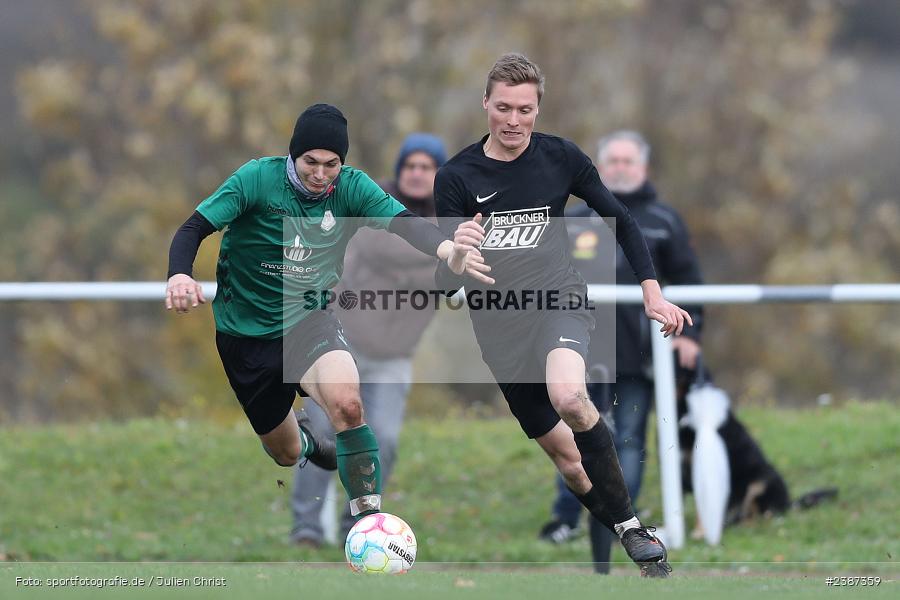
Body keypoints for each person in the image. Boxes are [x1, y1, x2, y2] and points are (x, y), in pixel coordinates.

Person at [434, 54, 692, 577]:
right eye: (503, 107)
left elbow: (619, 217)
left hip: (559, 302)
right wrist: (458, 253)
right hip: (499, 330)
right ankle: (626, 526)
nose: (513, 121)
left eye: (524, 109)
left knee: (570, 396)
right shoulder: (457, 177)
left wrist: (652, 292)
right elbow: (446, 286)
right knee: (571, 464)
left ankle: (631, 529)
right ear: (485, 104)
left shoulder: (561, 157)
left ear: (538, 109)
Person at [164, 105, 481, 525]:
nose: (320, 173)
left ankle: (370, 527)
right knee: (286, 453)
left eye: (331, 164)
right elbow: (192, 228)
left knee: (349, 405)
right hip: (245, 337)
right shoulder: (256, 179)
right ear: (293, 155)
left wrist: (449, 249)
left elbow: (405, 223)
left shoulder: (351, 189)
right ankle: (311, 443)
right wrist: (179, 275)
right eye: (310, 162)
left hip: (308, 321)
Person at [538, 130, 704, 573]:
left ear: (643, 168)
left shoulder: (664, 221)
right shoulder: (571, 220)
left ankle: (623, 525)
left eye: (629, 161)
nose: (620, 168)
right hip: (579, 349)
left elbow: (691, 284)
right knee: (575, 435)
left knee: (626, 438)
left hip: (639, 356)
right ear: (600, 167)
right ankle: (567, 519)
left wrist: (691, 335)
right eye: (612, 161)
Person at [290, 133, 447, 546]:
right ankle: (306, 526)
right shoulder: (371, 202)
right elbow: (384, 247)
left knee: (386, 440)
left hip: (394, 357)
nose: (416, 173)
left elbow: (455, 276)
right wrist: (443, 251)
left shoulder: (448, 218)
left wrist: (448, 256)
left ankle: (357, 523)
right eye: (410, 165)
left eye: (426, 167)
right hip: (339, 344)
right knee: (322, 433)